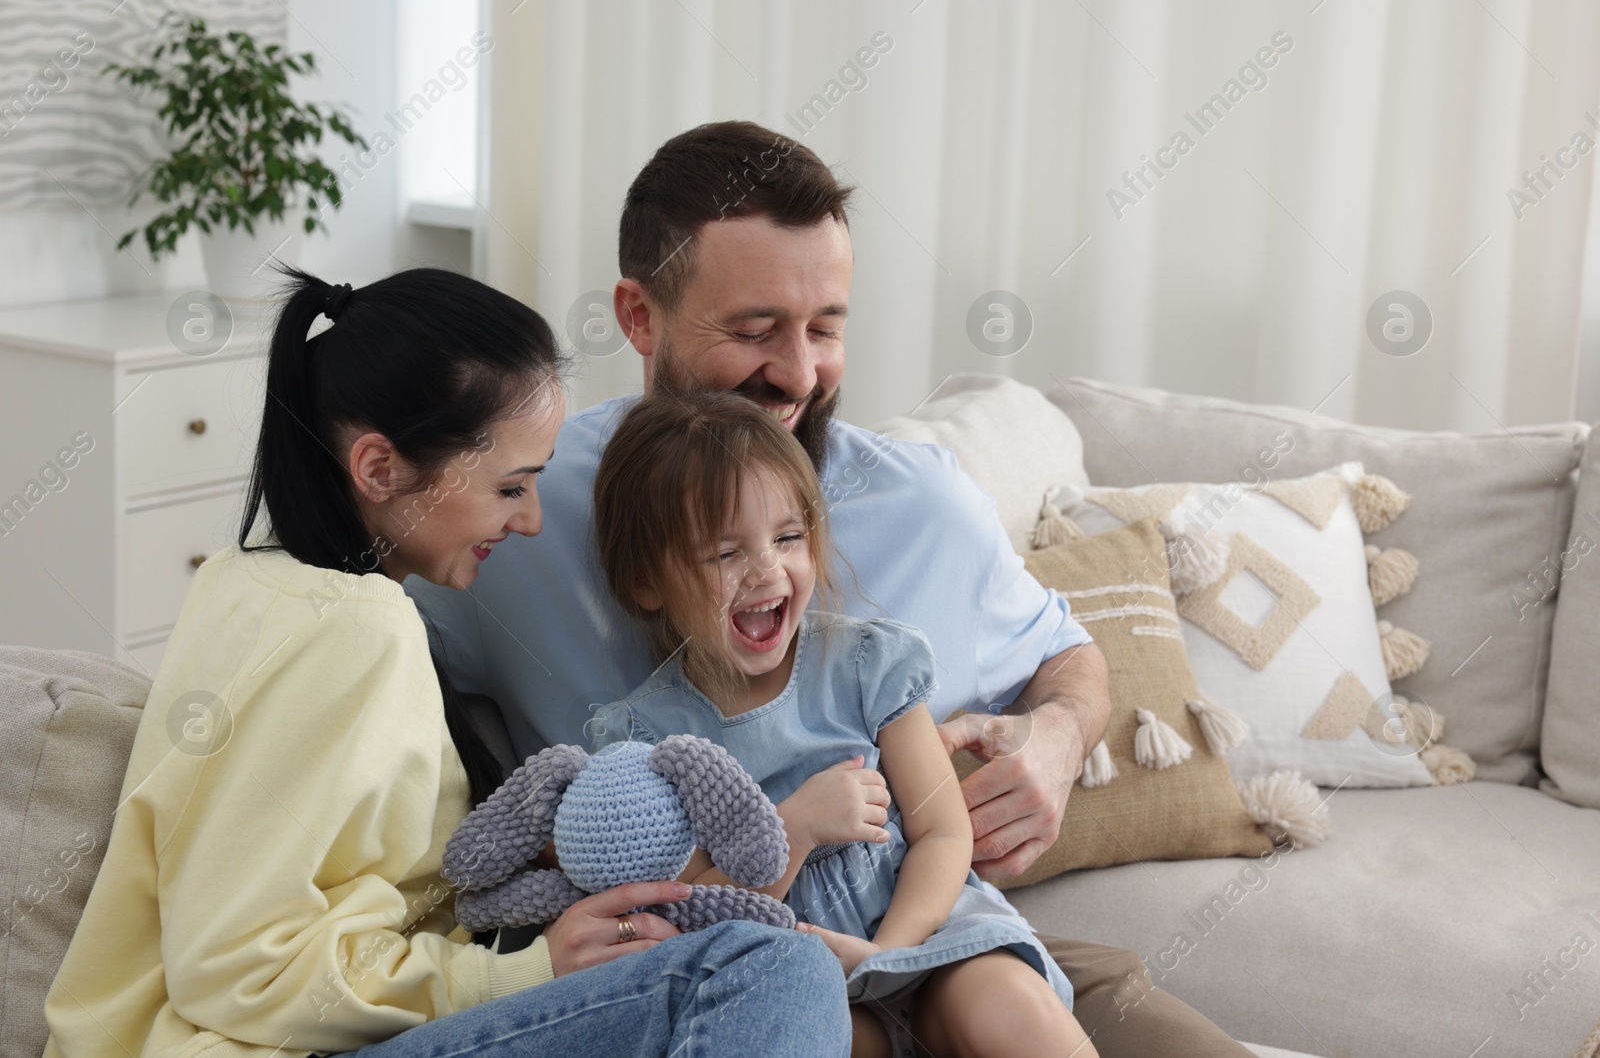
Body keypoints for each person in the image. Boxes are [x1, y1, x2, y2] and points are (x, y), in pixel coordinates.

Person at [407, 120, 1256, 1056]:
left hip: (946, 933)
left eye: (826, 327)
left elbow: (1068, 655)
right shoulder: (522, 506)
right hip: (738, 965)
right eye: (755, 329)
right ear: (640, 316)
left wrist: (1056, 739)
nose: (801, 373)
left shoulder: (921, 502)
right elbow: (360, 633)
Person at [42, 268, 849, 1058]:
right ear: (380, 469)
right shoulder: (354, 630)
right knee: (770, 968)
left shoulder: (244, 579)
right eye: (510, 487)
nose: (531, 520)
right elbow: (233, 967)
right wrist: (522, 972)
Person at [583, 389, 1099, 1058]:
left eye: (788, 537)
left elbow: (944, 830)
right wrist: (793, 828)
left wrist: (888, 953)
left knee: (1011, 1008)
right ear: (647, 582)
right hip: (789, 967)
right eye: (724, 553)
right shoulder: (645, 741)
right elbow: (686, 907)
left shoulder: (865, 661)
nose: (766, 568)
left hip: (924, 932)